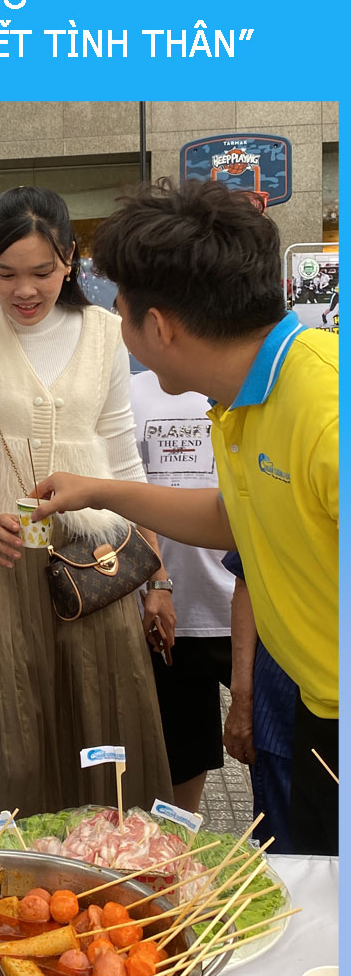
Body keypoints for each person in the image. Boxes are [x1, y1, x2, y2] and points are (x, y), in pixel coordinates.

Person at [31, 179, 338, 854]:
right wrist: (98, 491)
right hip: (319, 707)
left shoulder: (323, 407)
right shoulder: (242, 397)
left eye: (123, 312)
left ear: (160, 326)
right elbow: (238, 521)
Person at [0, 186, 174, 815]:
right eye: (6, 274)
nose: (24, 290)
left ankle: (103, 872)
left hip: (95, 564)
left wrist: (157, 575)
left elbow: (123, 454)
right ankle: (3, 880)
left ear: (69, 261)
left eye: (42, 272)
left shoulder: (108, 333)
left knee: (100, 728)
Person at [130, 370, 234, 813]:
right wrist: (157, 580)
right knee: (182, 754)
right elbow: (127, 492)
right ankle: (180, 855)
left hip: (245, 600)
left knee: (272, 746)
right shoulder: (130, 392)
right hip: (170, 607)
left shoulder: (238, 384)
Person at [222, 553, 297, 853]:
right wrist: (241, 700)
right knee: (285, 857)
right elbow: (248, 581)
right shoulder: (279, 506)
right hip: (285, 700)